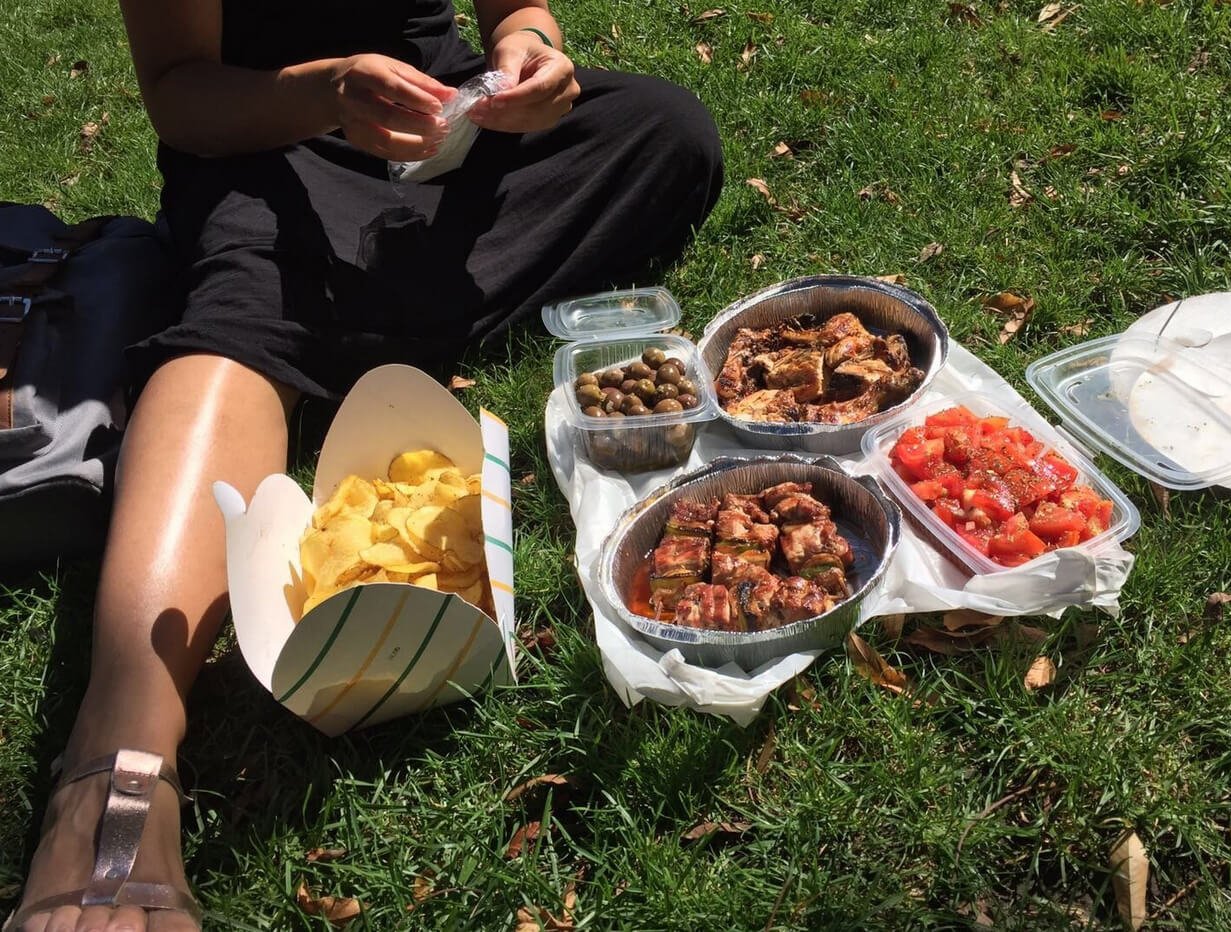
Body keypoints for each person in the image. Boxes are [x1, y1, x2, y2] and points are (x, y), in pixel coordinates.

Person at [6, 0, 723, 927]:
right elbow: (181, 99)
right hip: (271, 155)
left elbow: (520, 14)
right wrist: (328, 91)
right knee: (236, 324)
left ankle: (342, 324)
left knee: (668, 134)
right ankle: (116, 767)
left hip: (447, 138)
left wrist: (530, 56)